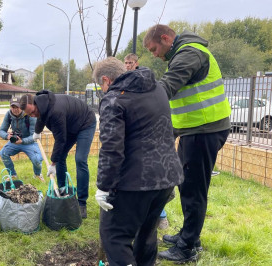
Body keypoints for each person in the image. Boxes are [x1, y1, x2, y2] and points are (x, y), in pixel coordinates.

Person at [143, 24, 231, 263]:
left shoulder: (190, 54)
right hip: (195, 130)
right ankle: (190, 235)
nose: (155, 55)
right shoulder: (183, 53)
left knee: (193, 190)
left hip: (204, 130)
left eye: (154, 49)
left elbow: (167, 87)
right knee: (186, 185)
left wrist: (137, 102)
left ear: (165, 38)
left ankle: (187, 248)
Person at [93, 57, 183, 266]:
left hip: (136, 182)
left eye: (102, 86)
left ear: (106, 80)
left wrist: (103, 187)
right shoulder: (157, 89)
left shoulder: (114, 99)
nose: (103, 90)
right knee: (146, 231)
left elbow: (111, 148)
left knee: (114, 236)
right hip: (167, 176)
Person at [20, 91, 96, 219]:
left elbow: (60, 140)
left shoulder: (56, 111)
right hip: (70, 125)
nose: (33, 116)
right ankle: (62, 191)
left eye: (32, 112)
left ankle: (82, 203)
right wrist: (37, 131)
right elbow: (41, 117)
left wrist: (52, 164)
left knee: (80, 160)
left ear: (35, 103)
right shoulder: (41, 106)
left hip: (85, 123)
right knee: (61, 156)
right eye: (29, 114)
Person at [124, 53, 171, 230]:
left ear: (136, 63)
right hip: (141, 140)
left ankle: (161, 217)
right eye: (126, 63)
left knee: (154, 179)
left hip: (152, 140)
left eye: (130, 62)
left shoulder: (145, 82)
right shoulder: (127, 83)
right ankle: (145, 220)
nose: (128, 65)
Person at [0, 97, 43, 181]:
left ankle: (37, 175)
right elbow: (1, 131)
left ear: (22, 107)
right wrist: (7, 136)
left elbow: (34, 136)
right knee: (3, 153)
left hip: (30, 142)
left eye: (17, 107)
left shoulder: (30, 115)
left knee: (37, 159)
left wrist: (22, 141)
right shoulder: (8, 115)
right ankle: (13, 175)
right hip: (15, 142)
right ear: (10, 107)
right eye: (13, 107)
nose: (15, 110)